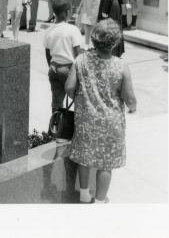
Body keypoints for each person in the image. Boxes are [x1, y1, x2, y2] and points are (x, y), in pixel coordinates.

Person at [65, 19, 137, 203]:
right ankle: (99, 201)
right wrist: (133, 108)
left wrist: (79, 98)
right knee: (106, 164)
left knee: (84, 156)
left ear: (95, 39)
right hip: (111, 123)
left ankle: (83, 193)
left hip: (86, 118)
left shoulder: (81, 60)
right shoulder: (121, 66)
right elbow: (129, 98)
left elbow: (69, 86)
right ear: (115, 42)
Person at [43, 0, 83, 113]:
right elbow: (78, 54)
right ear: (67, 12)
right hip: (69, 69)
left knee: (56, 102)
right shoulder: (73, 29)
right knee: (79, 99)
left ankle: (55, 127)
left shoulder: (49, 30)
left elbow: (48, 54)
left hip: (54, 68)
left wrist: (53, 67)